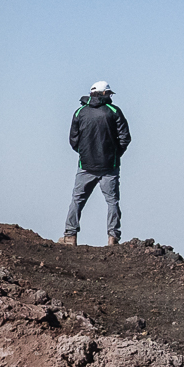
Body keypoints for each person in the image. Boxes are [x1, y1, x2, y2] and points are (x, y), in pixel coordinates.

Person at [58, 81, 130, 246]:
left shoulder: (80, 112)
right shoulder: (114, 111)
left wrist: (84, 154)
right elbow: (125, 137)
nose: (111, 96)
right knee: (112, 201)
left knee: (77, 200)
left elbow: (73, 140)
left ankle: (70, 236)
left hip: (86, 166)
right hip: (109, 166)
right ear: (104, 94)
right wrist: (114, 155)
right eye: (109, 93)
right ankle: (113, 238)